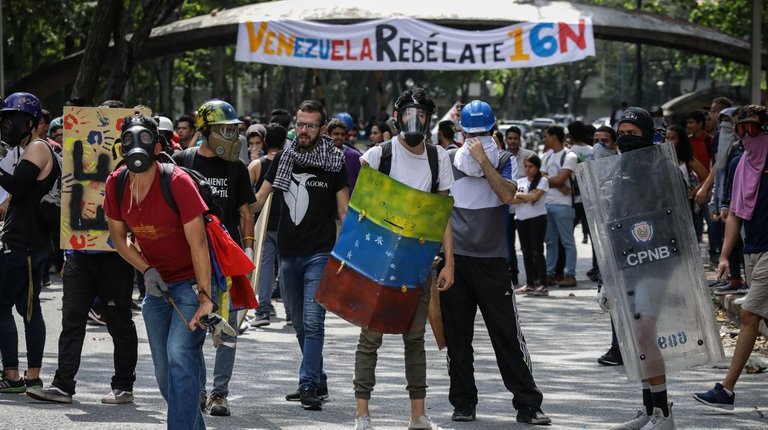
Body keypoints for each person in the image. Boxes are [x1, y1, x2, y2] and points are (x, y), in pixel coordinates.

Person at [441, 100, 551, 425]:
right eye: (471, 133)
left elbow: (506, 195)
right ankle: (463, 402)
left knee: (506, 335)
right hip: (456, 261)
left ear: (493, 130)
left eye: (482, 133)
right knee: (457, 338)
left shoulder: (504, 160)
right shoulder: (448, 159)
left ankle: (528, 404)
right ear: (462, 131)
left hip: (492, 262)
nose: (476, 138)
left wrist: (483, 161)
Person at [352, 87, 455, 430]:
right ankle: (362, 414)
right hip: (379, 261)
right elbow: (360, 211)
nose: (416, 120)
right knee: (370, 338)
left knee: (415, 339)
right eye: (410, 113)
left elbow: (443, 215)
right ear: (396, 118)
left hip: (419, 261)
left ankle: (418, 415)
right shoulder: (378, 156)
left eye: (422, 115)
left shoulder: (439, 157)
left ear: (429, 120)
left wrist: (449, 262)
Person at [104, 113, 213, 429]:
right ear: (121, 146)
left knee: (180, 358)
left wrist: (205, 297)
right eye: (128, 138)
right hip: (156, 286)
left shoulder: (177, 182)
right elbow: (119, 239)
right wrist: (147, 269)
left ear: (157, 145)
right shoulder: (117, 183)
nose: (136, 145)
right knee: (166, 377)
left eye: (145, 138)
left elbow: (199, 245)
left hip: (191, 283)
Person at [251, 100, 349, 411]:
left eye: (309, 125)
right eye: (299, 124)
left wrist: (348, 253)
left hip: (319, 254)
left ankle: (307, 384)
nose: (302, 130)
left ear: (321, 129)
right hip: (287, 254)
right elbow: (258, 201)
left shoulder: (335, 161)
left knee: (313, 321)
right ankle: (318, 378)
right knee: (299, 325)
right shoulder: (283, 158)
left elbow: (344, 210)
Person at [173, 99, 255, 417]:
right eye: (224, 130)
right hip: (190, 260)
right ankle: (199, 389)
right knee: (193, 327)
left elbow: (245, 212)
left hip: (225, 263)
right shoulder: (182, 161)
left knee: (226, 329)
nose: (231, 136)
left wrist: (247, 247)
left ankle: (219, 393)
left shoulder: (237, 168)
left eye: (234, 130)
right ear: (205, 132)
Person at [693, 105, 768, 411]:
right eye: (742, 129)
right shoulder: (741, 163)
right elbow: (735, 213)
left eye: (754, 128)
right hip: (753, 249)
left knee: (749, 315)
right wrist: (724, 256)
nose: (747, 134)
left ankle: (726, 388)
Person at [608, 107, 677, 429]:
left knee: (645, 333)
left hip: (656, 262)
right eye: (621, 133)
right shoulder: (620, 169)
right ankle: (649, 410)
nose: (625, 139)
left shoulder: (662, 169)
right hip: (629, 264)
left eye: (633, 134)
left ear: (648, 135)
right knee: (638, 339)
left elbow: (675, 218)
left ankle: (663, 413)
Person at [0, 92, 57, 394]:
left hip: (23, 244)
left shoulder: (37, 147)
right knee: (28, 308)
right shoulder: (28, 150)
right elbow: (18, 197)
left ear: (31, 123)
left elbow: (19, 186)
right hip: (29, 242)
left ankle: (13, 374)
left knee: (6, 306)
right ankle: (30, 375)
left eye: (13, 120)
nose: (7, 126)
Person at [247, 123, 288, 327]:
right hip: (287, 224)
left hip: (263, 224)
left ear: (264, 142)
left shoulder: (256, 166)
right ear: (284, 142)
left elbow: (245, 196)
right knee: (286, 267)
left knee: (264, 268)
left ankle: (262, 311)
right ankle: (291, 313)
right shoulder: (290, 163)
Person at [541, 125, 578, 287]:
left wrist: (554, 181)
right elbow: (543, 177)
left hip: (564, 205)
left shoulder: (569, 156)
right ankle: (550, 273)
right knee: (550, 242)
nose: (544, 139)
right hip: (548, 203)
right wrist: (557, 182)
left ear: (554, 137)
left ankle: (570, 274)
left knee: (567, 242)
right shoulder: (547, 156)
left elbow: (556, 179)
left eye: (546, 136)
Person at [511, 154, 549, 295]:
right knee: (526, 251)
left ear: (537, 167)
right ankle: (530, 283)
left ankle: (543, 283)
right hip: (521, 218)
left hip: (537, 218)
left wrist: (520, 196)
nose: (528, 169)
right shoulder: (520, 181)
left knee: (537, 251)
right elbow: (511, 199)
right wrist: (525, 196)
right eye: (526, 166)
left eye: (531, 166)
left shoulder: (543, 181)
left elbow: (535, 197)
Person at [505, 126, 535, 286]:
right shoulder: (500, 156)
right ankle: (513, 274)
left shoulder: (529, 156)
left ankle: (533, 277)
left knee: (528, 245)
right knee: (508, 244)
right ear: (506, 139)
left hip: (526, 209)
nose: (512, 141)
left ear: (520, 139)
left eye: (515, 138)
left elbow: (536, 181)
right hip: (507, 209)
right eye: (510, 138)